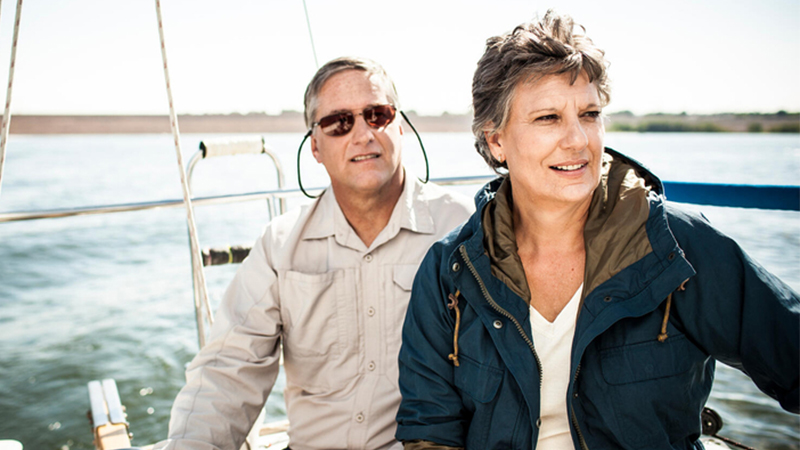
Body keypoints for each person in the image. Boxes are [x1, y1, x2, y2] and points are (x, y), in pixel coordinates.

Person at [395, 11, 799, 450]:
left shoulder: (675, 246)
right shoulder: (451, 269)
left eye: (589, 114)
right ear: (496, 141)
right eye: (548, 118)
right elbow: (430, 429)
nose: (577, 139)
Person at [155, 57, 474, 450]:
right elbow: (229, 369)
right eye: (339, 122)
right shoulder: (280, 244)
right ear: (315, 148)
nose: (362, 134)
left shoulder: (463, 228)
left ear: (401, 127)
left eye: (377, 115)